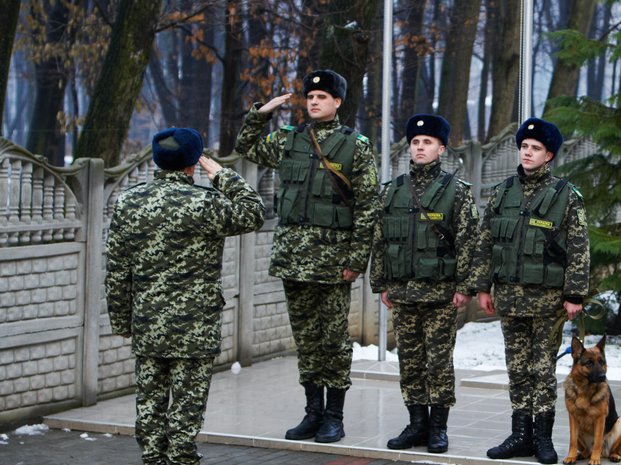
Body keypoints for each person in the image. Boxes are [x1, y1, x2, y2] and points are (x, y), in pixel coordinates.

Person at [233, 69, 380, 443]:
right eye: (310, 97)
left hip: (333, 262)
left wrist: (356, 260)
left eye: (322, 97)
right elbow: (246, 147)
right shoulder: (289, 139)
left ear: (337, 102)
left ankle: (334, 416)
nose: (314, 102)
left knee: (333, 340)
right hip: (293, 259)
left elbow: (368, 206)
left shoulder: (356, 146)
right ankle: (312, 413)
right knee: (307, 339)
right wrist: (260, 114)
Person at [106, 128, 265, 465]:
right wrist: (222, 175)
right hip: (195, 325)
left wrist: (121, 321)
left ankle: (153, 458)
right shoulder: (206, 203)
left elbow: (117, 269)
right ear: (194, 163)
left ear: (156, 159)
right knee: (187, 402)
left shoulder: (129, 202)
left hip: (148, 322)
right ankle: (181, 456)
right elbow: (254, 212)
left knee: (149, 400)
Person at [471, 118, 590, 464]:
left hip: (547, 301)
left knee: (542, 369)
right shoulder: (503, 192)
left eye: (535, 148)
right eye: (524, 146)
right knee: (517, 367)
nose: (527, 152)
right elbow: (486, 242)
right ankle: (520, 434)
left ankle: (542, 438)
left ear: (548, 155)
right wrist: (482, 286)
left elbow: (579, 248)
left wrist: (574, 295)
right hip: (509, 297)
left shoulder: (566, 196)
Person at [369, 114, 478, 453]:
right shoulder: (392, 191)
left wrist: (465, 287)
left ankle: (438, 428)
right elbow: (380, 239)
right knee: (410, 362)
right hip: (403, 293)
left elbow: (469, 241)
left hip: (440, 294)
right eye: (415, 142)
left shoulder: (456, 192)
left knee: (439, 363)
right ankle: (416, 424)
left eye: (427, 142)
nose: (420, 147)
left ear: (441, 148)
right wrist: (380, 283)